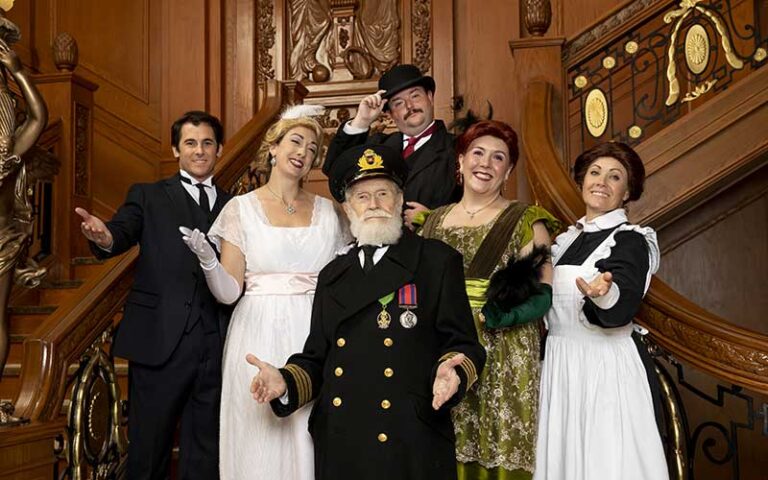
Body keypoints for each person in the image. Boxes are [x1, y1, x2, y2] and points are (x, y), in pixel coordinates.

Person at [246, 143, 486, 480]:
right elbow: (317, 357)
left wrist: (454, 373)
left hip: (409, 438)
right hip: (342, 440)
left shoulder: (436, 261)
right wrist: (284, 381)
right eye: (361, 196)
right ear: (347, 208)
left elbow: (466, 345)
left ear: (400, 200)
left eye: (383, 193)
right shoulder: (333, 274)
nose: (373, 205)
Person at [180, 106, 348, 480]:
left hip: (314, 331)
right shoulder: (241, 209)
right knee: (259, 432)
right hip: (257, 329)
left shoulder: (331, 212)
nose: (303, 151)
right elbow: (228, 293)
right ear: (273, 147)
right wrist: (209, 260)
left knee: (309, 430)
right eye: (295, 141)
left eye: (312, 147)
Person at [75, 111, 231, 480]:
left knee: (206, 452)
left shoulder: (235, 204)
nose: (199, 150)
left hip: (217, 342)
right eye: (190, 143)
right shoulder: (147, 195)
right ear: (176, 149)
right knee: (148, 451)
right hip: (160, 341)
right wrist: (104, 236)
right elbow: (121, 232)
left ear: (220, 149)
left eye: (207, 143)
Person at [420, 120, 560, 479]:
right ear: (461, 160)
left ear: (508, 170)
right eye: (478, 153)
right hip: (443, 344)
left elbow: (544, 295)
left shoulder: (526, 219)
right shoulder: (432, 222)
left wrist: (501, 317)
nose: (486, 163)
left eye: (498, 158)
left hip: (504, 348)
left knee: (497, 446)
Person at [534, 142, 668, 480]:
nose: (601, 182)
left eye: (614, 177)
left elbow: (621, 300)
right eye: (595, 173)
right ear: (582, 180)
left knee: (606, 463)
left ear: (627, 192)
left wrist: (603, 295)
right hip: (561, 366)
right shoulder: (564, 242)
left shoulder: (631, 240)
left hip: (605, 370)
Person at [323, 64, 457, 227]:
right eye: (398, 103)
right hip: (380, 248)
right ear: (389, 114)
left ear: (430, 96)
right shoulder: (378, 146)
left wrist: (434, 219)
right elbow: (334, 168)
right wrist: (362, 121)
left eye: (415, 96)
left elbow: (477, 207)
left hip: (433, 248)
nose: (409, 106)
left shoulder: (459, 148)